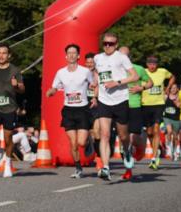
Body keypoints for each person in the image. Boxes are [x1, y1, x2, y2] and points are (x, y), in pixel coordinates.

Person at [92, 32, 139, 181]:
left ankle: (127, 151)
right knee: (104, 135)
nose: (107, 46)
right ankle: (105, 167)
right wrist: (95, 86)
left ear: (116, 45)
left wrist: (117, 83)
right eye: (105, 43)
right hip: (104, 101)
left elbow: (134, 76)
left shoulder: (121, 57)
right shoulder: (97, 58)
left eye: (110, 44)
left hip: (120, 100)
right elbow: (97, 73)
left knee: (123, 136)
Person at [46, 43, 96, 178]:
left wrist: (95, 97)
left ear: (78, 56)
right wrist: (51, 91)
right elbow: (55, 87)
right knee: (73, 143)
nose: (72, 55)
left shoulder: (85, 71)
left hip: (83, 109)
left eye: (74, 53)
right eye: (69, 53)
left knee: (81, 142)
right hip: (68, 110)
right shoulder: (60, 72)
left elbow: (93, 84)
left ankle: (88, 140)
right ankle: (78, 168)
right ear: (66, 56)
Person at [119, 46, 153, 166]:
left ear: (130, 57)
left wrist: (141, 87)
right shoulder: (114, 70)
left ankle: (141, 144)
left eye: (126, 56)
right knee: (122, 135)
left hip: (135, 106)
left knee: (133, 137)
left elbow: (150, 82)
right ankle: (127, 158)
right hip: (119, 106)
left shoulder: (138, 69)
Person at [142, 55, 172, 169]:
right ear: (147, 64)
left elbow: (173, 77)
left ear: (157, 64)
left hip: (158, 104)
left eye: (154, 64)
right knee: (149, 133)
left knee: (156, 129)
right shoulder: (142, 72)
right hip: (145, 105)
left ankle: (154, 158)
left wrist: (168, 87)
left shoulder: (163, 71)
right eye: (150, 64)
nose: (152, 66)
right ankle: (157, 150)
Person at [162, 82, 181, 160]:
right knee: (169, 131)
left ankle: (175, 150)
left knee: (176, 137)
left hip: (176, 119)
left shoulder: (179, 97)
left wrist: (177, 102)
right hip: (167, 117)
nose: (173, 89)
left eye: (174, 88)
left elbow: (180, 106)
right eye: (171, 88)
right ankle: (169, 149)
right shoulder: (166, 97)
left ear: (177, 89)